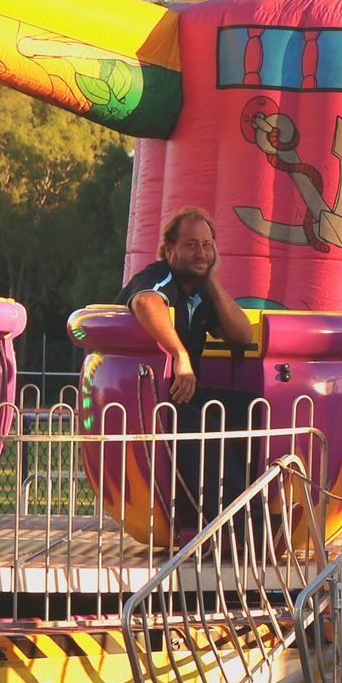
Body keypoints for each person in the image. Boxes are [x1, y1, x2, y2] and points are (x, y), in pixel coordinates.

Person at [118, 206, 255, 536]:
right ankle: (241, 530)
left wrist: (212, 282)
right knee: (204, 426)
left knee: (250, 409)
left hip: (182, 396)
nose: (201, 253)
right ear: (170, 250)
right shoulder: (159, 276)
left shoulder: (200, 292)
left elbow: (242, 335)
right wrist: (180, 355)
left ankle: (253, 509)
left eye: (207, 245)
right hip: (149, 401)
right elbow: (145, 302)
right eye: (191, 245)